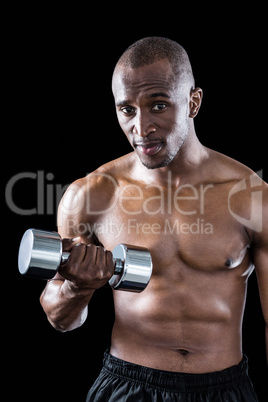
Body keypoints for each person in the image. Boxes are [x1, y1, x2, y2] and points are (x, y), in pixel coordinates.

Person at [40, 37, 267, 401]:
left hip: (226, 389)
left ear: (193, 102)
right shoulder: (92, 195)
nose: (142, 128)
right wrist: (76, 288)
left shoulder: (252, 197)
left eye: (158, 105)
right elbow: (60, 318)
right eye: (126, 110)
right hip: (127, 386)